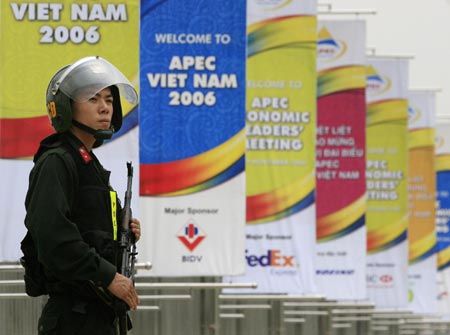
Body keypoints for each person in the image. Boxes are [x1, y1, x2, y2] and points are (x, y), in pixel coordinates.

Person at [23, 56, 141, 335]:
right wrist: (108, 276)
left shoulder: (88, 164)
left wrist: (124, 231)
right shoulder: (58, 161)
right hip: (73, 319)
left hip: (97, 315)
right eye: (93, 99)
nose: (104, 108)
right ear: (67, 107)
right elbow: (53, 236)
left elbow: (87, 227)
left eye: (110, 100)